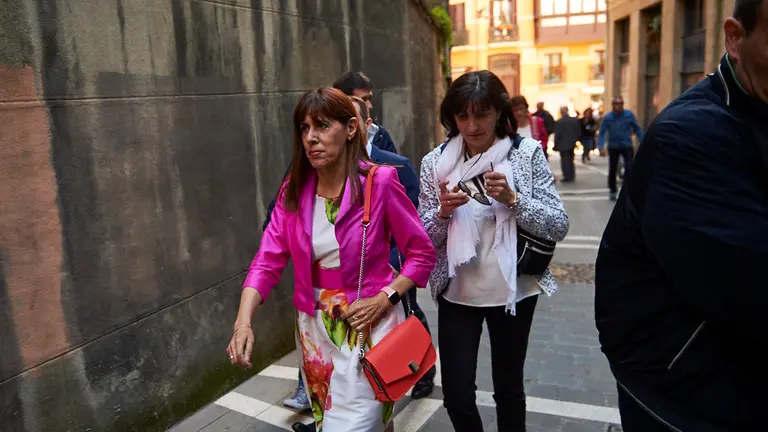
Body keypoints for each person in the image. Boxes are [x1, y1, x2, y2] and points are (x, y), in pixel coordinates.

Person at [595, 0, 768, 430]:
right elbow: (748, 289)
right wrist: (603, 140)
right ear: (735, 37)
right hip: (681, 394)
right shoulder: (688, 136)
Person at [229, 88, 436, 432]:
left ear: (351, 128)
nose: (311, 138)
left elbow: (421, 252)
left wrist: (387, 297)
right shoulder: (294, 191)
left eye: (323, 126)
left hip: (369, 324)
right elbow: (266, 260)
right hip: (314, 330)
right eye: (304, 128)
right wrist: (243, 322)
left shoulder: (379, 182)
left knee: (354, 424)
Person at [418, 71, 568, 432]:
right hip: (458, 293)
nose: (472, 125)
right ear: (452, 117)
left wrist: (513, 200)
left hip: (513, 291)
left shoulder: (525, 154)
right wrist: (442, 212)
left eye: (481, 114)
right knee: (456, 395)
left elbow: (558, 224)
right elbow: (422, 239)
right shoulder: (435, 164)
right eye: (463, 115)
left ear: (499, 113)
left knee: (509, 390)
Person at [333, 71, 398, 154]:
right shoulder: (330, 135)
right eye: (363, 100)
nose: (370, 106)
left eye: (369, 99)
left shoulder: (380, 134)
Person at [596, 96, 643, 200]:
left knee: (630, 167)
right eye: (617, 104)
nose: (619, 106)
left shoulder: (629, 115)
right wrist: (600, 147)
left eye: (621, 104)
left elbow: (637, 128)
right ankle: (612, 190)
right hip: (613, 146)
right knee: (613, 169)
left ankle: (626, 190)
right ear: (613, 105)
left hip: (626, 145)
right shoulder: (608, 117)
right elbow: (602, 133)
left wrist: (643, 141)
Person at [554, 106, 581, 182]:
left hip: (563, 144)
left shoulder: (559, 122)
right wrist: (577, 140)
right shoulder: (574, 120)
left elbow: (557, 134)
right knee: (571, 159)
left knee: (565, 161)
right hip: (571, 143)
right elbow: (578, 132)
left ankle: (567, 176)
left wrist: (555, 145)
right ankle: (571, 175)